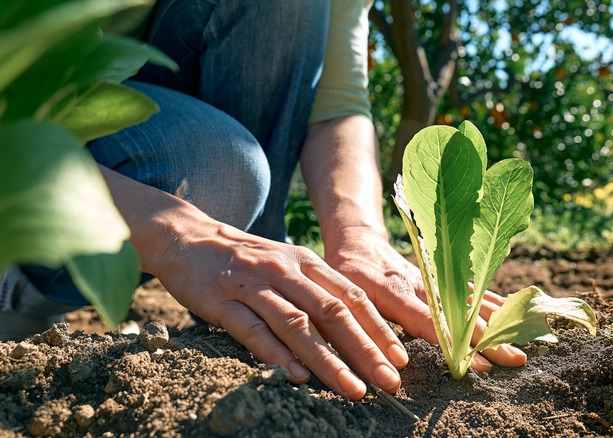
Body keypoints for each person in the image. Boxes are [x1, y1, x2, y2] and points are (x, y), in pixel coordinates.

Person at [0, 0, 526, 400]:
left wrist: (359, 239)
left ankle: (260, 299)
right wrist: (178, 233)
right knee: (228, 170)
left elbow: (337, 102)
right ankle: (16, 285)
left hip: (107, 124)